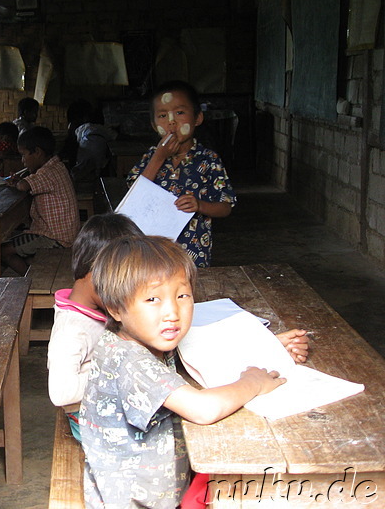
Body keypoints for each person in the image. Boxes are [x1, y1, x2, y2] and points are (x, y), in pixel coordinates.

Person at [79, 236, 286, 508]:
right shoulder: (131, 361)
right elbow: (203, 409)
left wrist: (272, 344)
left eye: (182, 295)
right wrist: (253, 382)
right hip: (134, 501)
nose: (172, 312)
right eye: (152, 299)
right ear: (116, 309)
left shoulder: (138, 339)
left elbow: (209, 347)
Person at [47, 213, 143, 442]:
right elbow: (61, 393)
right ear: (94, 274)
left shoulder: (96, 310)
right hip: (97, 424)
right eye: (120, 282)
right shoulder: (72, 329)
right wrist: (121, 371)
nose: (126, 291)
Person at [127, 80, 236, 267]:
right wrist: (159, 158)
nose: (171, 122)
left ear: (197, 118)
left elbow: (226, 207)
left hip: (192, 256)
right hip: (154, 252)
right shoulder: (152, 157)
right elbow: (134, 193)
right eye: (162, 115)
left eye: (179, 113)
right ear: (154, 125)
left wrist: (200, 205)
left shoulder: (208, 159)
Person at [2, 126, 80, 275]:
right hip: (62, 234)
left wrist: (17, 182)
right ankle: (33, 272)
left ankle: (31, 282)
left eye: (24, 155)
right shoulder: (57, 166)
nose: (23, 161)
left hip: (54, 238)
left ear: (37, 152)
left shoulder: (47, 172)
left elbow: (23, 186)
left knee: (3, 250)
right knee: (17, 244)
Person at [66, 99, 117, 194]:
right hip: (99, 172)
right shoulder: (100, 129)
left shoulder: (77, 131)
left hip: (80, 174)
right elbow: (116, 135)